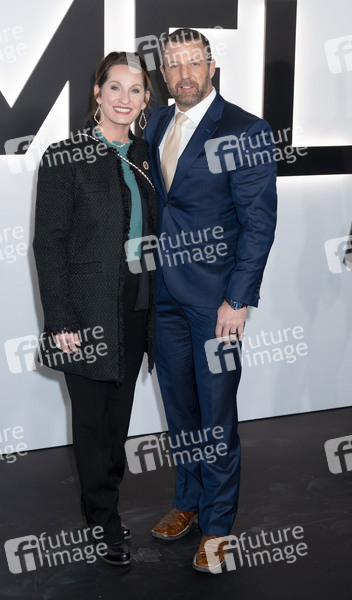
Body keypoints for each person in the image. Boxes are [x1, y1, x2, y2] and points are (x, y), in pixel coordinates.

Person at [143, 28, 277, 573]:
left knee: (217, 415)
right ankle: (189, 502)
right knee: (180, 410)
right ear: (163, 73)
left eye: (193, 62)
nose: (184, 74)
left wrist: (238, 300)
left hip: (216, 303)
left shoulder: (245, 129)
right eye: (173, 65)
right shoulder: (155, 123)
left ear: (211, 66)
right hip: (164, 298)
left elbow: (259, 222)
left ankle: (218, 528)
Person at [33, 52, 157, 566]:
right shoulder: (64, 156)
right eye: (115, 88)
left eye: (136, 90)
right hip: (86, 310)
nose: (125, 98)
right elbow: (48, 244)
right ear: (97, 93)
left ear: (146, 100)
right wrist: (60, 319)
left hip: (137, 304)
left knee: (117, 422)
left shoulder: (146, 154)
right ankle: (104, 521)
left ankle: (103, 502)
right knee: (91, 422)